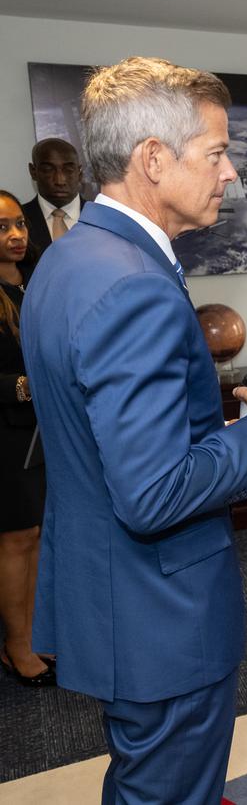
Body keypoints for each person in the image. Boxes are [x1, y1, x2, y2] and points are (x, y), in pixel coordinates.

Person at [21, 57, 247, 803]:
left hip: (107, 592)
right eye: (215, 152)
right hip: (159, 613)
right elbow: (151, 492)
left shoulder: (68, 260)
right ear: (153, 158)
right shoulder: (134, 285)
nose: (232, 173)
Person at [0, 190, 53, 688]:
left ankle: (34, 634)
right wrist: (26, 384)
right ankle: (15, 646)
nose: (16, 235)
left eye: (19, 224)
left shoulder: (34, 278)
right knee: (16, 540)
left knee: (38, 535)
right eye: (2, 228)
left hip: (41, 432)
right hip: (5, 438)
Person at [21, 138, 83, 274]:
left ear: (80, 172)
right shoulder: (18, 222)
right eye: (48, 170)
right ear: (33, 171)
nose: (60, 180)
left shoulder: (103, 220)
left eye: (68, 170)